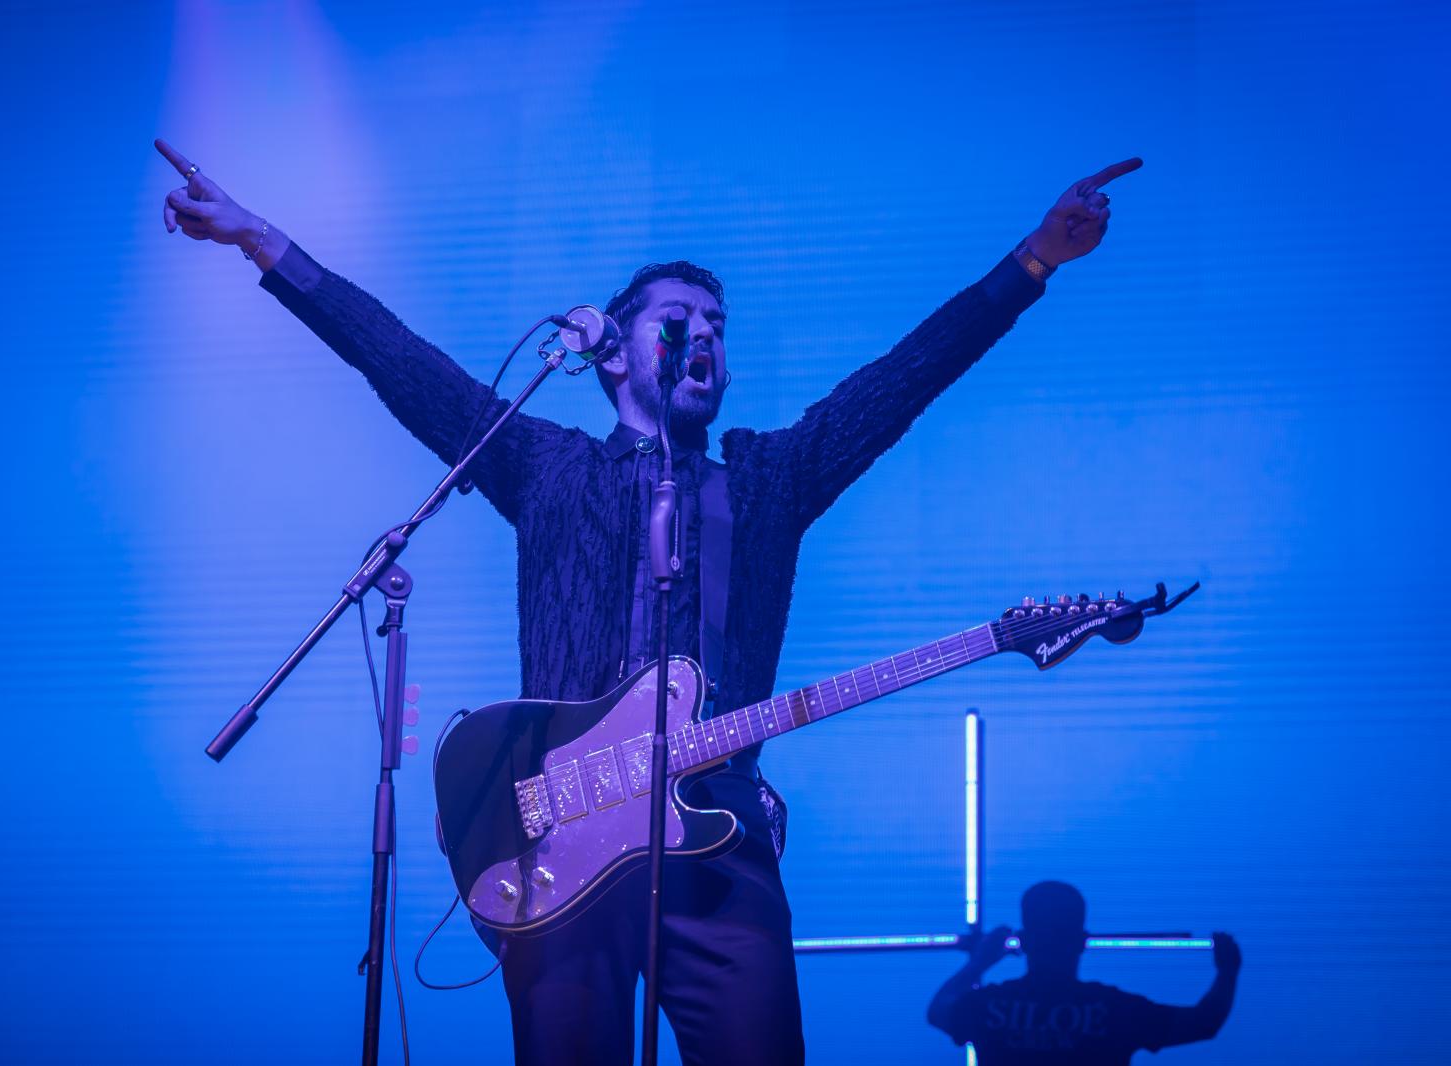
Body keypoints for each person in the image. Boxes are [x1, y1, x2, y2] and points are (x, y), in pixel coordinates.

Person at [156, 137, 1139, 1065]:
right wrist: (258, 238)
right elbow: (401, 362)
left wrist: (1035, 259)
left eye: (719, 327)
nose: (705, 336)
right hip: (554, 840)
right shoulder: (545, 464)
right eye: (681, 321)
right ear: (612, 355)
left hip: (721, 839)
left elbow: (902, 378)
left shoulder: (767, 481)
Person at [928, 881, 1242, 1064]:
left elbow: (939, 1010)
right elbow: (1204, 1023)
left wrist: (979, 963)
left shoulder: (990, 1005)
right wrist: (1227, 972)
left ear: (1023, 942)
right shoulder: (1114, 1009)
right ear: (1081, 942)